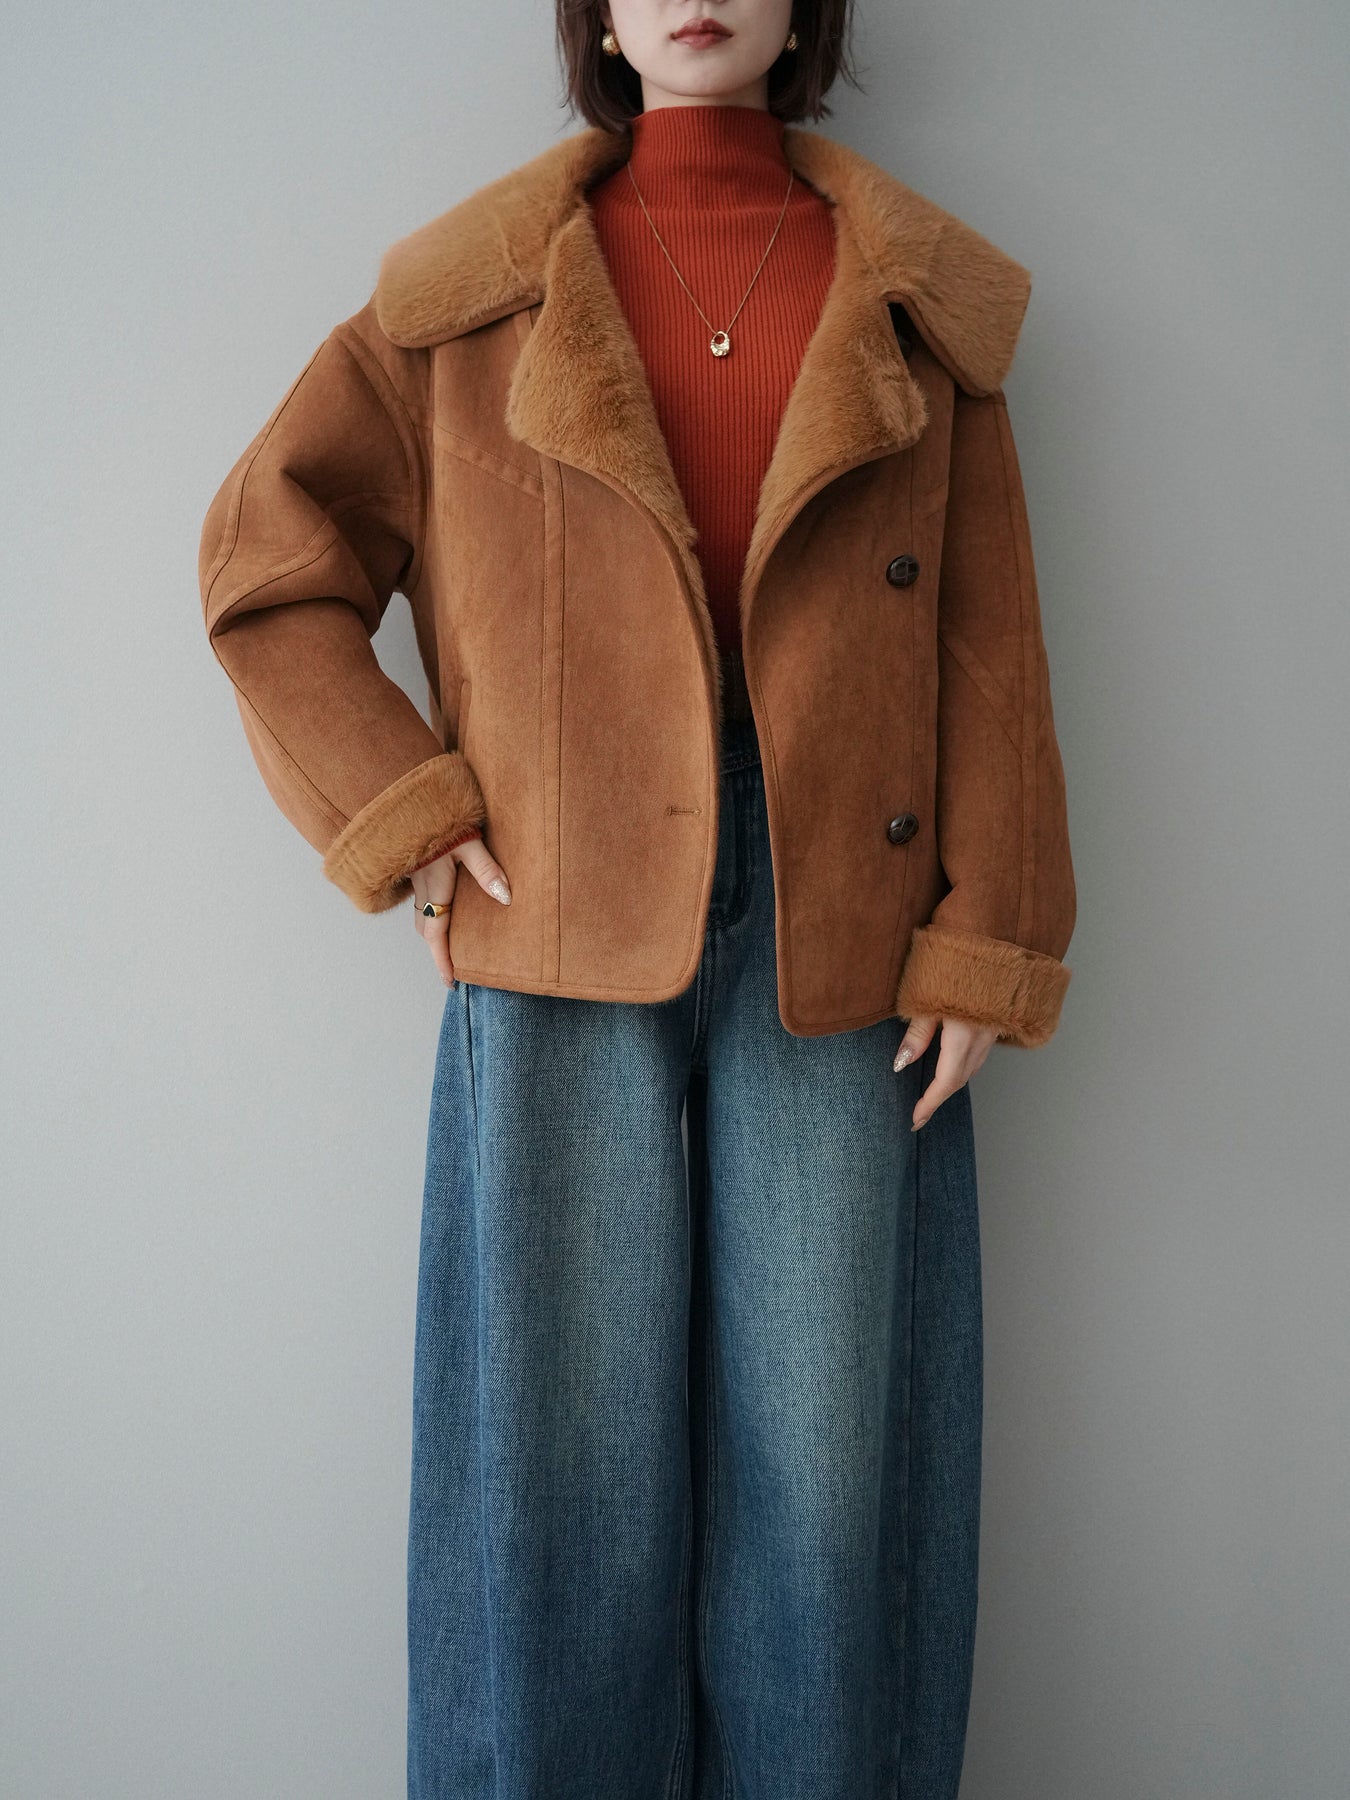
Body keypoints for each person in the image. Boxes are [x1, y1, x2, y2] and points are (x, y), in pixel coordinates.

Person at [197, 1, 1077, 1793]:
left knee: (828, 1464)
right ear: (594, 11)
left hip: (852, 910)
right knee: (560, 1457)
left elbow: (986, 642)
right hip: (556, 902)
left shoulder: (914, 304)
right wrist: (403, 810)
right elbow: (270, 563)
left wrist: (992, 928)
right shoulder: (463, 303)